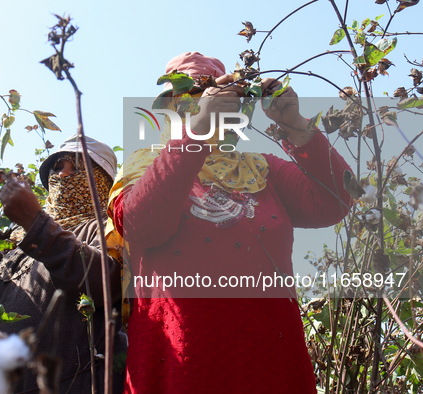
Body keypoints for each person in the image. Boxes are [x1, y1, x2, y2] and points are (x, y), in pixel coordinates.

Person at [108, 52, 353, 393]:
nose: (199, 106)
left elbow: (334, 202)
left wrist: (295, 124)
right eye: (190, 96)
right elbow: (143, 226)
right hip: (180, 364)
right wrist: (195, 135)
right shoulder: (146, 164)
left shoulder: (261, 169)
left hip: (271, 362)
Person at [0, 134, 127, 394]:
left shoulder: (105, 230)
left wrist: (37, 224)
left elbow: (107, 284)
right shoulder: (23, 241)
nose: (63, 175)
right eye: (57, 167)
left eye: (77, 168)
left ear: (101, 182)